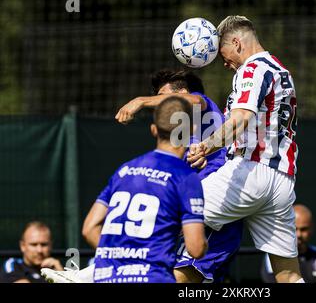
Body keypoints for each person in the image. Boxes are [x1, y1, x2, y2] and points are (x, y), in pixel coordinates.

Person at [41, 70, 243, 283]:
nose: (160, 103)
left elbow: (192, 101)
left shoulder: (200, 103)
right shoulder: (183, 147)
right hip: (209, 214)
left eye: (163, 96)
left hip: (218, 214)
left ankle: (87, 276)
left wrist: (140, 101)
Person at [186, 15, 301, 283]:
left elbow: (239, 121)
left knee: (169, 207)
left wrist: (205, 146)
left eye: (224, 55)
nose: (224, 63)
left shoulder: (251, 70)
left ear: (237, 43)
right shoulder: (282, 70)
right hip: (282, 182)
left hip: (250, 175)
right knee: (289, 275)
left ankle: (92, 275)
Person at [261, 204, 316, 283]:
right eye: (294, 229)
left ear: (311, 228)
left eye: (304, 229)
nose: (299, 234)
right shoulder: (275, 257)